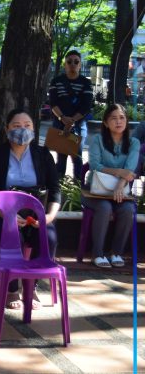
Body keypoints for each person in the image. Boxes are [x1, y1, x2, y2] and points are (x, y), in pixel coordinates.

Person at [0, 108, 60, 309]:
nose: (22, 130)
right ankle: (11, 287)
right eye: (17, 126)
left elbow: (55, 189)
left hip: (37, 214)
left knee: (48, 237)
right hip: (3, 214)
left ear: (34, 129)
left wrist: (48, 216)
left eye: (27, 126)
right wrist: (7, 215)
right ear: (7, 129)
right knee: (13, 236)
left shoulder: (43, 155)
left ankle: (31, 285)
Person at [82, 103, 139, 268]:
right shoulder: (97, 140)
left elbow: (130, 168)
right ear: (106, 123)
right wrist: (120, 172)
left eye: (122, 117)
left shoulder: (133, 142)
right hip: (94, 192)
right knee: (105, 207)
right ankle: (97, 254)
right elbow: (95, 166)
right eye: (113, 118)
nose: (118, 121)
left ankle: (116, 252)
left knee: (128, 210)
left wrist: (121, 184)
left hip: (119, 192)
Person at [48, 50, 93, 180]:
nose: (72, 64)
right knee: (61, 157)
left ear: (80, 64)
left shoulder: (86, 83)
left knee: (76, 156)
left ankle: (77, 190)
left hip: (78, 124)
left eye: (76, 62)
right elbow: (53, 103)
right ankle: (58, 187)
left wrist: (72, 120)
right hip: (59, 122)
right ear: (65, 64)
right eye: (69, 62)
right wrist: (62, 118)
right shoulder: (56, 81)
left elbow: (86, 106)